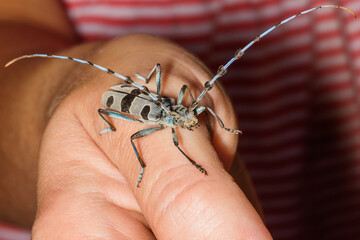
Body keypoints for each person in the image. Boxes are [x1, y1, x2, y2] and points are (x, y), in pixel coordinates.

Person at [1, 0, 359, 239]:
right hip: (119, 102)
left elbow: (195, 106)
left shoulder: (187, 109)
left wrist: (224, 125)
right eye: (184, 117)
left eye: (187, 115)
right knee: (132, 133)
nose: (188, 119)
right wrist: (63, 91)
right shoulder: (162, 127)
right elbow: (136, 138)